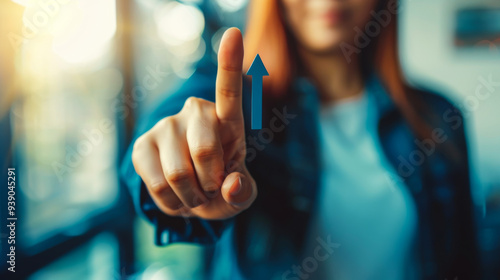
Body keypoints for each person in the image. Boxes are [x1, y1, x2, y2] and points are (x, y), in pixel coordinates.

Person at [122, 0, 480, 279]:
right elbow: (170, 125)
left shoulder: (438, 118)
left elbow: (466, 261)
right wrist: (175, 162)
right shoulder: (248, 104)